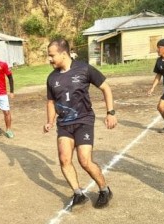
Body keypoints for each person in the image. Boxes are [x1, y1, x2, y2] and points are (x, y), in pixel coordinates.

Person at [44, 38, 117, 210]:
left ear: (63, 54)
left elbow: (106, 88)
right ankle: (78, 194)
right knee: (64, 159)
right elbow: (50, 102)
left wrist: (110, 112)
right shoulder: (52, 78)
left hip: (83, 120)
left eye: (52, 55)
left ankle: (104, 190)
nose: (49, 59)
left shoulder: (84, 69)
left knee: (84, 161)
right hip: (64, 124)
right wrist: (49, 121)